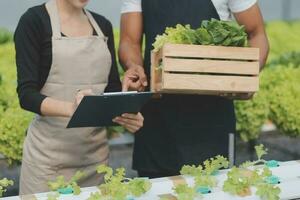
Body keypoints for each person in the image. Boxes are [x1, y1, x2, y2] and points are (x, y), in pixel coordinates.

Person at [119, 0, 269, 178]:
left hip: (214, 116)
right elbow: (129, 41)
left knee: (214, 190)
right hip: (157, 119)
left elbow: (256, 33)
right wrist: (133, 66)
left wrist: (247, 76)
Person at [14, 0, 144, 195]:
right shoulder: (34, 21)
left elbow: (110, 89)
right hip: (47, 164)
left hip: (96, 163)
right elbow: (27, 95)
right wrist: (73, 109)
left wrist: (128, 107)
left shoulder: (103, 26)